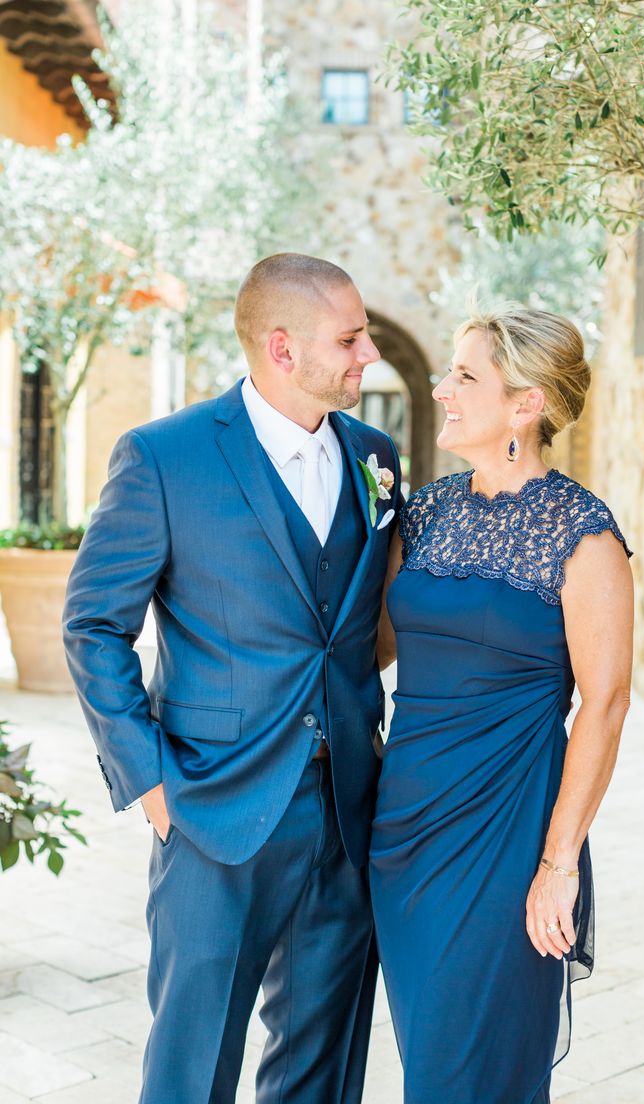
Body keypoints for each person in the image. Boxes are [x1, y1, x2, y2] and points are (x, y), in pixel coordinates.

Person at [63, 253, 402, 1104]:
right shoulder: (164, 456)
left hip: (349, 808)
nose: (368, 355)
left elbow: (359, 625)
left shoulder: (375, 454)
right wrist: (148, 780)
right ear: (282, 349)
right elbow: (94, 625)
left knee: (324, 1063)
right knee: (193, 1060)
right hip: (212, 805)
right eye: (351, 338)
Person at [370, 303, 634, 1104]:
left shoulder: (585, 536)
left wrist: (558, 865)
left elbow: (607, 703)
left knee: (467, 1073)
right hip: (405, 834)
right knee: (433, 1061)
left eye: (464, 375)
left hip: (506, 835)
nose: (442, 388)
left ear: (527, 404)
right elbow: (374, 647)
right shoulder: (427, 513)